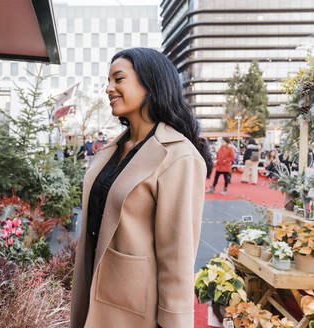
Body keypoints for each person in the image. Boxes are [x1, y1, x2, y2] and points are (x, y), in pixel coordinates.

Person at [71, 48, 213, 328]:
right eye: (108, 80)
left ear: (150, 83)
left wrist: (173, 322)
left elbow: (178, 255)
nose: (108, 88)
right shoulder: (112, 149)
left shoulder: (178, 155)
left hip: (135, 312)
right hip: (92, 297)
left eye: (118, 79)